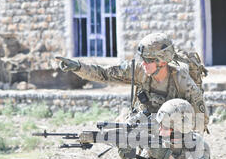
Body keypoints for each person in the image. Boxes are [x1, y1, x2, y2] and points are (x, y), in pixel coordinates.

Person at [56, 32, 209, 132]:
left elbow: (202, 121)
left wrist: (175, 131)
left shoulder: (181, 79)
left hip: (174, 133)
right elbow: (104, 74)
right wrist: (78, 67)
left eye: (148, 61)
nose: (143, 64)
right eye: (142, 59)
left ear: (162, 62)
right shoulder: (139, 70)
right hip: (145, 126)